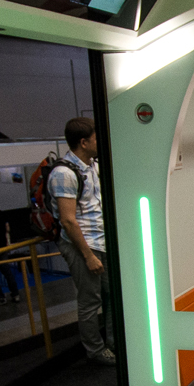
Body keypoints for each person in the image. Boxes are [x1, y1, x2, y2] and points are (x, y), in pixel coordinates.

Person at [52, 117, 116, 365]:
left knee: (112, 294)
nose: (101, 142)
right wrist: (88, 256)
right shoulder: (64, 174)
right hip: (83, 246)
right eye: (96, 138)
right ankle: (95, 350)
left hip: (101, 241)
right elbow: (68, 221)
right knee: (90, 300)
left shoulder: (92, 166)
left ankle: (113, 342)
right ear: (84, 142)